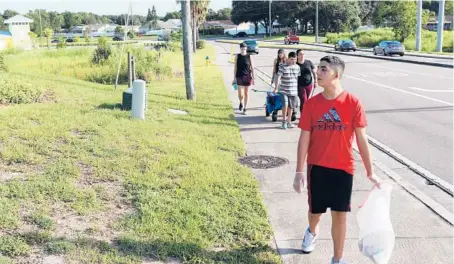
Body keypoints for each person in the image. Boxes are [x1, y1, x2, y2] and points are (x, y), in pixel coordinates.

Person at [294, 55, 381, 264]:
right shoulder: (312, 104)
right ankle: (312, 231)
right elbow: (304, 138)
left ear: (336, 73)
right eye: (318, 69)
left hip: (343, 168)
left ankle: (337, 258)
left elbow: (362, 139)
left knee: (340, 215)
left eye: (324, 69)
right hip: (317, 167)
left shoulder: (353, 103)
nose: (318, 72)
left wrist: (371, 172)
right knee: (315, 212)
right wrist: (298, 172)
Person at [273, 51, 300, 129]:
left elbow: (297, 77)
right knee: (285, 104)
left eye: (295, 59)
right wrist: (275, 88)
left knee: (291, 106)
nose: (293, 61)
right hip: (284, 90)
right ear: (288, 58)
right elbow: (278, 77)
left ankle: (289, 122)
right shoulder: (282, 66)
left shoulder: (297, 67)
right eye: (292, 59)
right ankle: (283, 122)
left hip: (293, 90)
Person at [232, 42, 254, 115]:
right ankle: (241, 102)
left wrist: (253, 78)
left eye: (244, 49)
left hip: (247, 76)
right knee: (240, 93)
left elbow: (252, 68)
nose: (243, 50)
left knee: (246, 93)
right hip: (239, 76)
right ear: (240, 49)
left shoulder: (249, 56)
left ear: (246, 49)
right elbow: (235, 68)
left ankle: (245, 108)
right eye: (242, 49)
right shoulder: (237, 56)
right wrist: (234, 78)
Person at [296, 49, 317, 115]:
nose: (302, 55)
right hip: (300, 85)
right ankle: (303, 115)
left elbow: (314, 72)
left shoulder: (308, 62)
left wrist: (315, 81)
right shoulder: (295, 64)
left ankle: (305, 114)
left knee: (306, 100)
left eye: (303, 54)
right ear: (297, 55)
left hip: (309, 85)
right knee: (304, 100)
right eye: (300, 54)